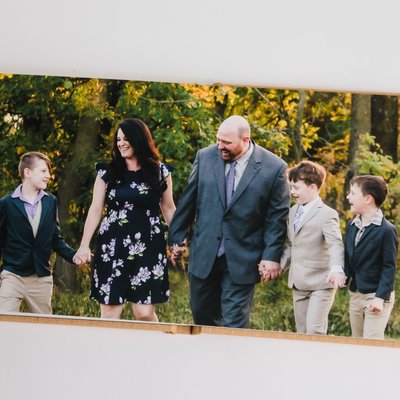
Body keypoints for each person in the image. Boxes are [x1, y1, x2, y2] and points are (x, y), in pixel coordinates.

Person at [168, 115, 290, 328]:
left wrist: (271, 256)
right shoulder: (205, 157)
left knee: (234, 325)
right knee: (202, 319)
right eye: (218, 140)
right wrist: (177, 237)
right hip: (204, 253)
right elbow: (189, 199)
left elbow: (276, 218)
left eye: (226, 142)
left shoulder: (274, 167)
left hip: (244, 257)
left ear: (245, 140)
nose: (219, 146)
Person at [75, 118, 176, 321]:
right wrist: (84, 245)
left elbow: (168, 207)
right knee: (110, 313)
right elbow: (95, 209)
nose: (121, 143)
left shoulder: (160, 172)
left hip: (148, 245)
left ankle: (153, 343)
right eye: (118, 139)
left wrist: (177, 240)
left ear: (139, 139)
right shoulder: (106, 172)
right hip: (113, 246)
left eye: (125, 139)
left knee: (144, 314)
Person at [0, 151, 81, 314]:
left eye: (48, 172)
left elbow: (55, 238)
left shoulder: (51, 201)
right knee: (4, 321)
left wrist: (73, 256)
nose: (48, 176)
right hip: (13, 275)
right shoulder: (6, 203)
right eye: (43, 171)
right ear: (27, 172)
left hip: (41, 278)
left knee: (43, 325)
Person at [279, 161, 345, 335]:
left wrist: (337, 269)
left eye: (296, 187)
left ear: (313, 187)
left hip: (321, 283)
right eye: (291, 187)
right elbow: (292, 244)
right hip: (298, 282)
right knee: (301, 332)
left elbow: (335, 244)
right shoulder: (293, 211)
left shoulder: (327, 214)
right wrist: (280, 266)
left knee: (314, 331)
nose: (292, 192)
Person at [345, 175, 398, 339]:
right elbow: (350, 258)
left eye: (353, 193)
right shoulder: (352, 225)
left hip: (376, 295)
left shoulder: (387, 230)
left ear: (368, 199)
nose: (348, 197)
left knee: (371, 343)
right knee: (357, 342)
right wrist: (341, 274)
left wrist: (380, 298)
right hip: (356, 294)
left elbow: (389, 267)